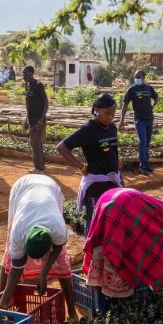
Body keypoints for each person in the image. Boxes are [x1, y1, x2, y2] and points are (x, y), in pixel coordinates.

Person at [83, 188, 163, 298]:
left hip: (107, 198)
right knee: (118, 249)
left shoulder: (156, 206)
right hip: (118, 205)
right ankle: (115, 300)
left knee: (105, 242)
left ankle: (102, 300)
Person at [0, 174, 78, 319]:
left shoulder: (58, 228)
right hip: (22, 188)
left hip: (50, 187)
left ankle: (71, 311)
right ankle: (2, 298)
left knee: (62, 262)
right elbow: (16, 269)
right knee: (10, 257)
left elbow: (58, 249)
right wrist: (2, 304)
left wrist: (43, 273)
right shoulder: (18, 233)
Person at [57, 93, 123, 232]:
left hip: (112, 182)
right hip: (96, 186)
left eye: (113, 114)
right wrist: (80, 166)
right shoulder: (88, 130)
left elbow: (113, 151)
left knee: (111, 220)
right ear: (96, 110)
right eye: (107, 113)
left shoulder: (112, 128)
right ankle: (90, 252)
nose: (110, 117)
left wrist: (119, 175)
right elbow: (62, 147)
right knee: (94, 223)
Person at [119, 70, 159, 175]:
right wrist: (121, 120)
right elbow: (125, 104)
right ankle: (143, 166)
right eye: (135, 77)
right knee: (143, 142)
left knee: (147, 142)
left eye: (138, 77)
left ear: (143, 77)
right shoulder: (132, 89)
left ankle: (145, 164)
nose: (136, 79)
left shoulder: (149, 88)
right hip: (139, 120)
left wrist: (153, 105)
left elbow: (156, 97)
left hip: (149, 119)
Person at [22, 65, 49, 172]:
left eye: (25, 73)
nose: (24, 75)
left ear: (31, 73)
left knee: (34, 143)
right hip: (31, 119)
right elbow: (28, 103)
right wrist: (26, 118)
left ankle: (38, 168)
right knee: (37, 143)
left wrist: (41, 119)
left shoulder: (38, 85)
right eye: (23, 73)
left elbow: (46, 103)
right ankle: (41, 165)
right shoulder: (27, 86)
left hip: (38, 120)